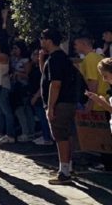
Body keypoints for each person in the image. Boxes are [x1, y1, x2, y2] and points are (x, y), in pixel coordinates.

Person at [40, 28, 76, 185]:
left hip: (60, 103)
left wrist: (50, 106)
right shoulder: (61, 57)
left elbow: (55, 84)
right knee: (66, 135)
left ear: (48, 40)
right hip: (67, 101)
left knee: (60, 136)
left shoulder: (55, 59)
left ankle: (64, 172)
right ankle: (68, 167)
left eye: (42, 39)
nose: (41, 42)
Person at [11, 40, 34, 142]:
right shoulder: (15, 59)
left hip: (23, 88)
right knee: (24, 110)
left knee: (22, 110)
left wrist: (18, 74)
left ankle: (27, 132)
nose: (14, 50)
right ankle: (28, 131)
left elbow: (29, 76)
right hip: (16, 87)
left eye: (16, 48)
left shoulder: (26, 61)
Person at [76, 37, 107, 112]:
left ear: (83, 44)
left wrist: (89, 107)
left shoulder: (90, 58)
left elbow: (93, 83)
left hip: (95, 106)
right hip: (103, 102)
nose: (74, 47)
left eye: (76, 44)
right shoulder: (99, 57)